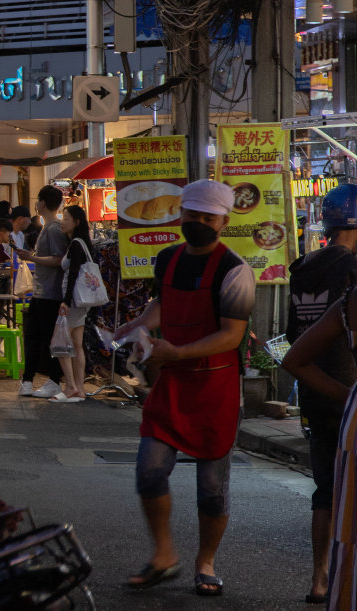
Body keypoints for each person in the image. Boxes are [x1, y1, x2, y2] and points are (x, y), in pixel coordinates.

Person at [116, 180, 256, 597]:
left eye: (206, 218)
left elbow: (232, 335)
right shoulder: (168, 259)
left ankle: (205, 561)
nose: (197, 223)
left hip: (215, 389)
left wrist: (175, 352)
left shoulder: (235, 272)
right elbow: (162, 304)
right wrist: (136, 326)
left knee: (212, 489)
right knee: (149, 470)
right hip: (172, 385)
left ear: (224, 221)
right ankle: (164, 554)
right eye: (191, 215)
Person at [283, 205, 357, 610]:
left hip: (353, 412)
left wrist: (355, 397)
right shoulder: (350, 271)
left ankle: (325, 582)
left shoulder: (312, 274)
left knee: (340, 505)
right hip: (351, 394)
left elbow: (291, 352)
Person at [22, 185, 69, 399]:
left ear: (41, 203)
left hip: (50, 293)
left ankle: (53, 381)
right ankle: (27, 380)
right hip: (42, 292)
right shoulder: (48, 226)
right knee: (34, 336)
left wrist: (31, 258)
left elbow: (58, 260)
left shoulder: (54, 228)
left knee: (48, 338)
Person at [55, 204, 99, 404]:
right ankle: (79, 388)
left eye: (65, 218)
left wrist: (65, 301)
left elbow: (73, 273)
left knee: (61, 342)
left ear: (76, 222)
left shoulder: (76, 244)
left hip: (73, 300)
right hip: (81, 302)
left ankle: (71, 387)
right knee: (76, 344)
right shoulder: (83, 243)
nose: (62, 222)